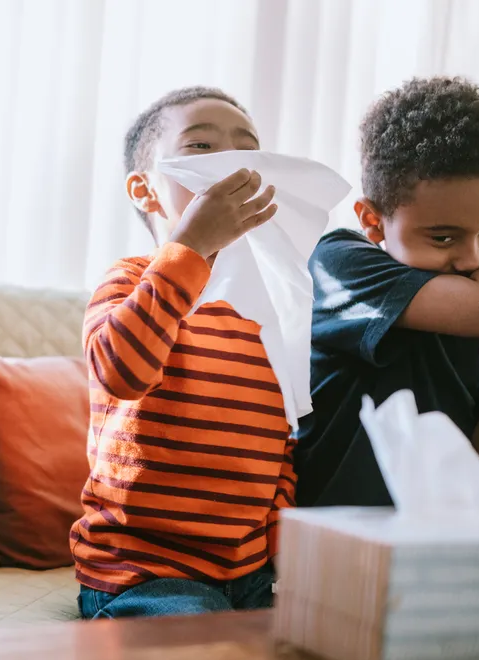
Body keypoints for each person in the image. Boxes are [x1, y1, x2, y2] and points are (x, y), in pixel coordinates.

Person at [71, 86, 297, 619]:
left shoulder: (266, 311)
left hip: (249, 575)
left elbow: (285, 441)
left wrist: (284, 554)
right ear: (145, 189)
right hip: (144, 572)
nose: (231, 161)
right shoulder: (129, 281)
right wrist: (190, 248)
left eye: (248, 148)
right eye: (201, 147)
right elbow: (120, 371)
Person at [295, 76, 479, 507]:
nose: (472, 259)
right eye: (444, 238)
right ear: (373, 222)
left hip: (435, 547)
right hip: (328, 548)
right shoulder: (339, 261)